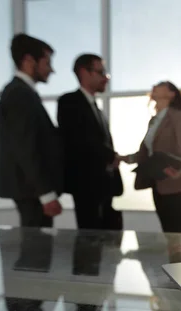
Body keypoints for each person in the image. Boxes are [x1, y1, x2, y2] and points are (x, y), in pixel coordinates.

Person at [0, 33, 63, 227]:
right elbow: (25, 148)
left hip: (30, 190)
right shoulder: (20, 94)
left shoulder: (21, 92)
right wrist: (46, 194)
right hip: (31, 191)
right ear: (28, 60)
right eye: (47, 62)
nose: (51, 70)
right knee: (36, 253)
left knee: (36, 252)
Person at [57, 53, 124, 230]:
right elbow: (79, 139)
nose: (106, 78)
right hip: (86, 185)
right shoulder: (69, 102)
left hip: (105, 185)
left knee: (105, 243)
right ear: (84, 72)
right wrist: (111, 155)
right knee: (88, 242)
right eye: (101, 72)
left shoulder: (96, 109)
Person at [123, 81, 181, 233]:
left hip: (173, 183)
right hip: (157, 182)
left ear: (171, 94)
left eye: (161, 85)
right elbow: (146, 153)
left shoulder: (178, 116)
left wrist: (180, 170)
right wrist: (123, 159)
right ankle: (175, 257)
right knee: (167, 231)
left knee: (176, 232)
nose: (154, 86)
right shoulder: (154, 120)